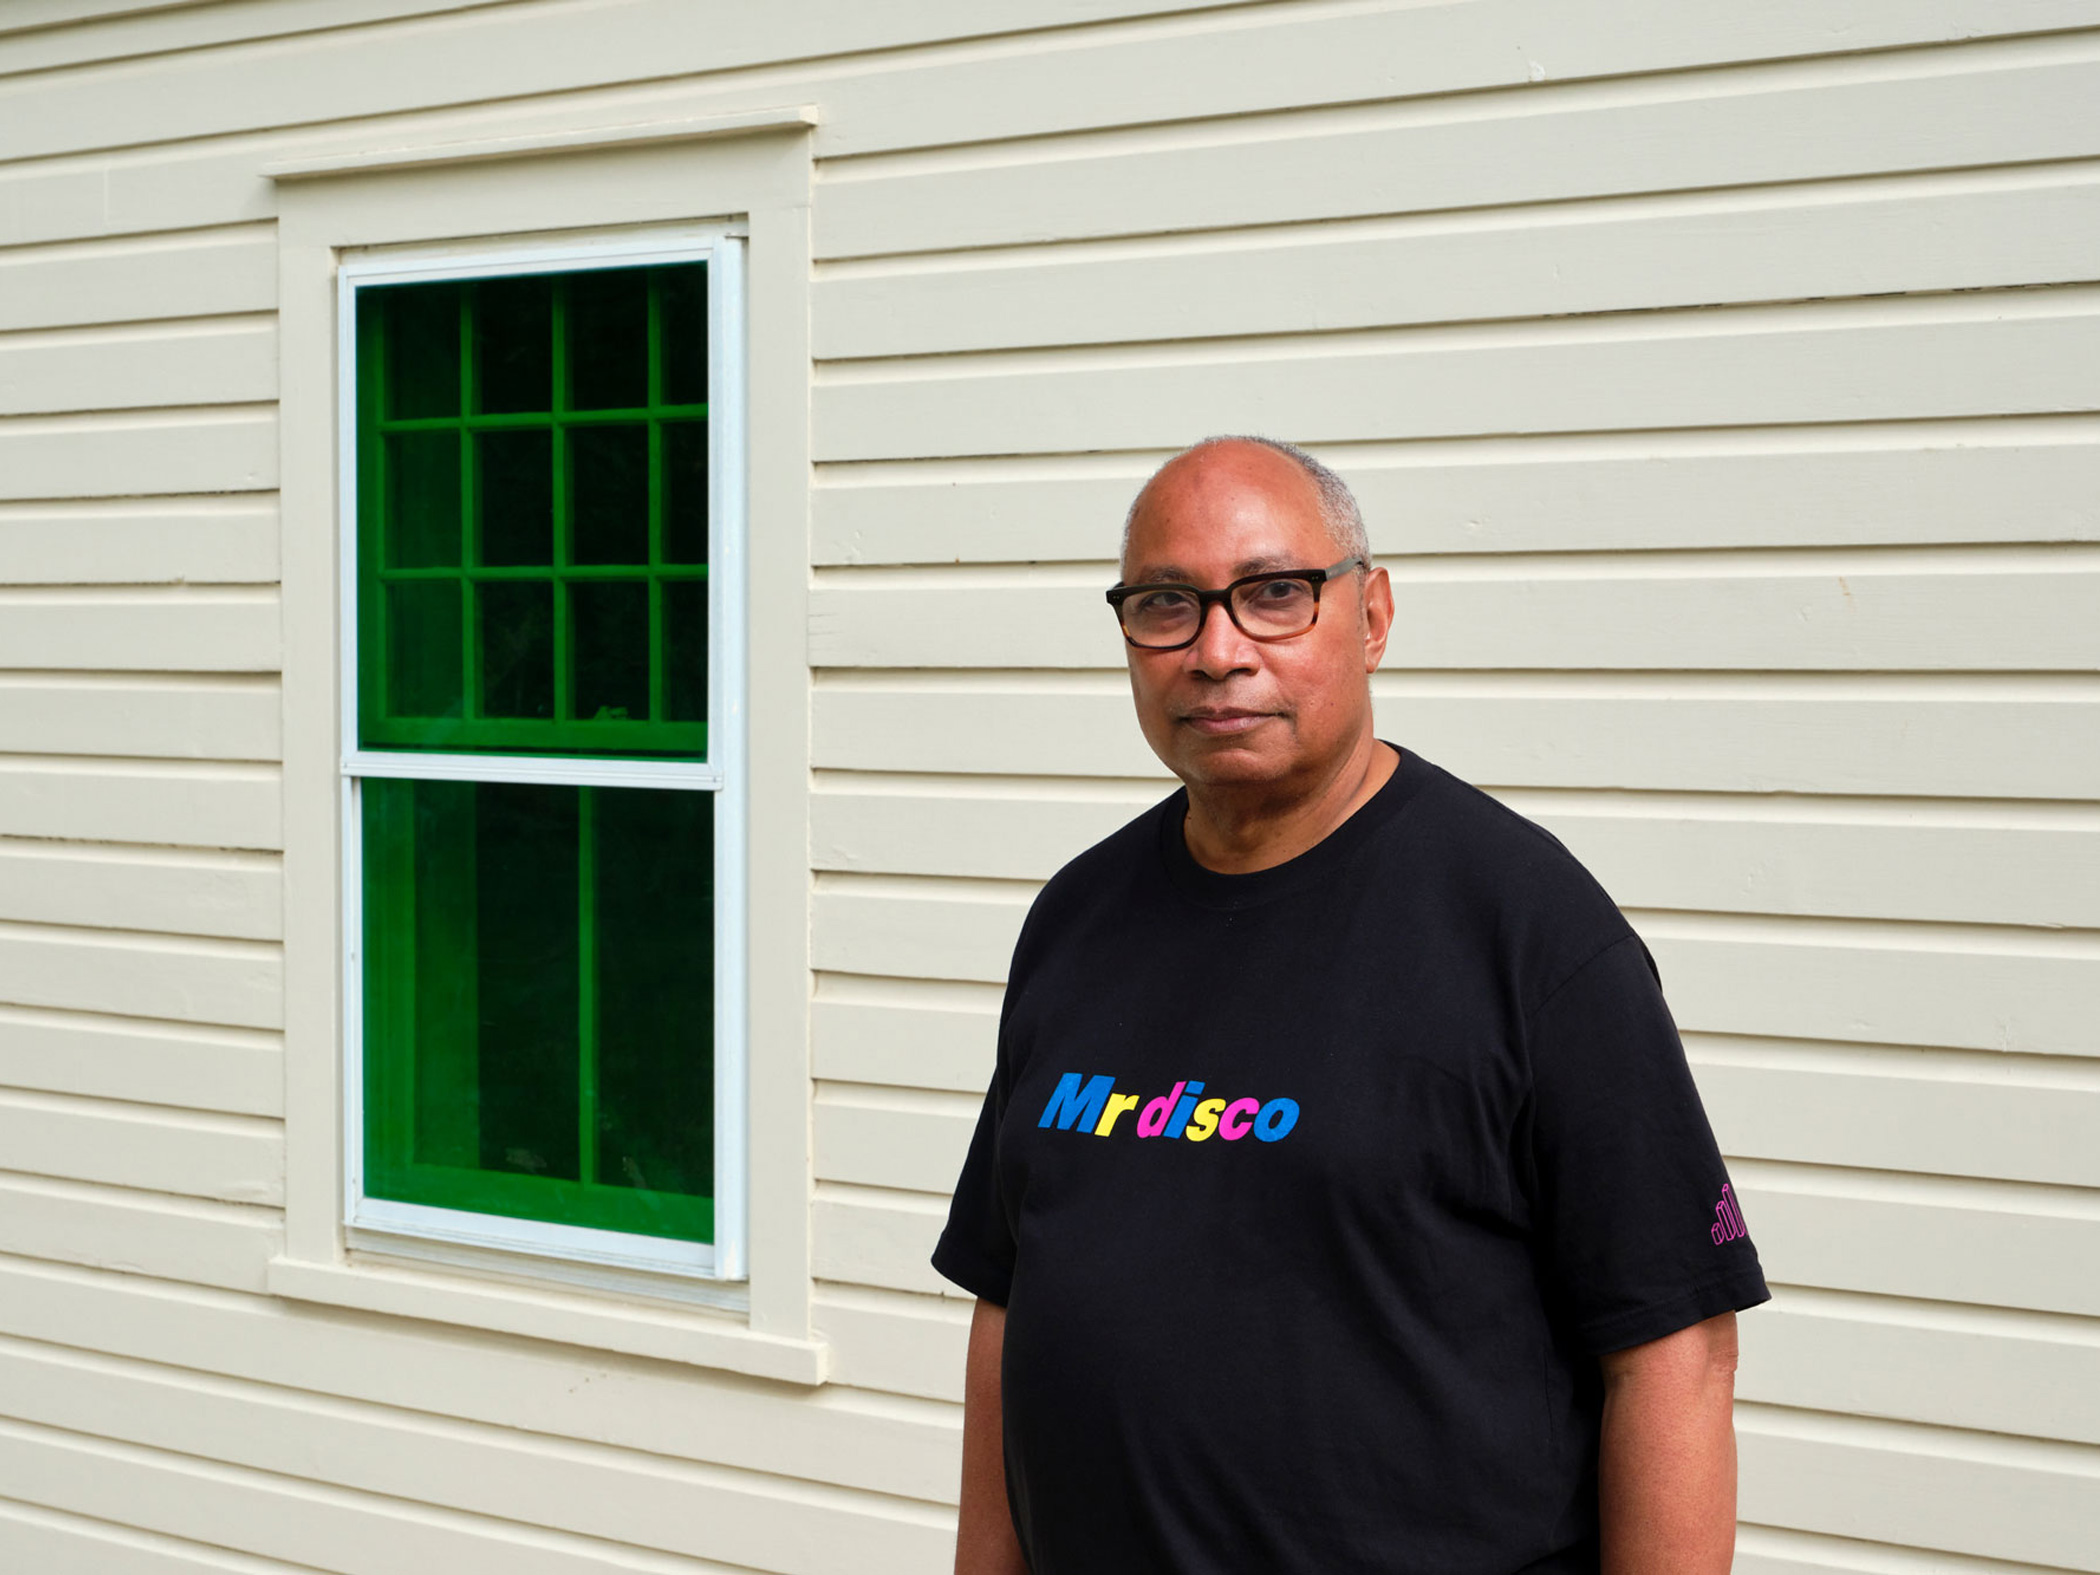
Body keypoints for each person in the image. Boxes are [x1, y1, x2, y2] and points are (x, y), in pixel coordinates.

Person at [932, 435, 1769, 1575]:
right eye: (1167, 604)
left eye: (1275, 594)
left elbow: (1677, 1353)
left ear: (1371, 617)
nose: (1217, 651)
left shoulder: (1528, 930)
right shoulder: (1077, 920)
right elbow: (1009, 1298)